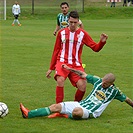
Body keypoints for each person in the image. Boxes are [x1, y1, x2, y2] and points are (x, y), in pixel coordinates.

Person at [20, 64, 133, 120]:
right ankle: (29, 114)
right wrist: (69, 69)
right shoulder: (98, 81)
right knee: (56, 106)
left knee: (77, 112)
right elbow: (83, 74)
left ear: (111, 84)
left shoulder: (115, 91)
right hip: (81, 104)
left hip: (91, 112)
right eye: (103, 81)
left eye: (105, 83)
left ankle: (66, 115)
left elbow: (127, 100)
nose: (103, 84)